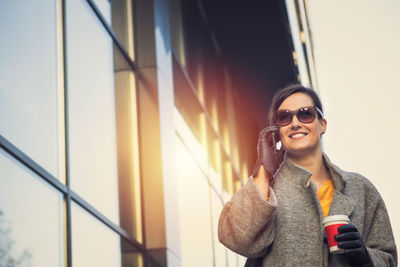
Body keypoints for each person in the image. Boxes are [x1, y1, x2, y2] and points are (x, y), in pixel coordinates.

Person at [218, 84, 397, 266]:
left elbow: (389, 259)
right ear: (278, 132)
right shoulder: (266, 192)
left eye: (305, 114)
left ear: (322, 125)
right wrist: (263, 169)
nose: (295, 123)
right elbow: (236, 239)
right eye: (284, 117)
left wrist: (365, 257)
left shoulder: (361, 189)